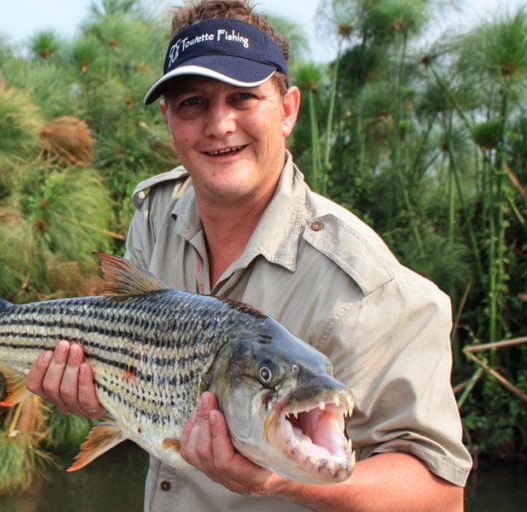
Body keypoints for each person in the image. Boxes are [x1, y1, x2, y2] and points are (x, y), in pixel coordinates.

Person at [25, 1, 472, 510]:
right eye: (194, 102)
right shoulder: (154, 215)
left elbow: (441, 495)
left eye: (243, 97)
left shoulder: (370, 288)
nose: (219, 124)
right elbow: (135, 380)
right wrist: (99, 394)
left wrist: (280, 480)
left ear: (287, 110)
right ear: (169, 119)